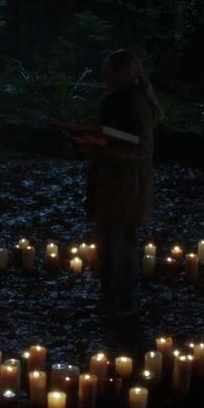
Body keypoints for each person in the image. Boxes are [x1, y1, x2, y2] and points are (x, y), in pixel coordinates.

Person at [52, 49, 160, 316]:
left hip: (126, 186)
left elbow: (141, 150)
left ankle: (126, 301)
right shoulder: (115, 99)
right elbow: (113, 136)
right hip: (109, 183)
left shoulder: (134, 103)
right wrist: (92, 140)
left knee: (121, 244)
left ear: (122, 73)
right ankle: (110, 298)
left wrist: (101, 147)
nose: (106, 75)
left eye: (111, 71)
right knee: (108, 243)